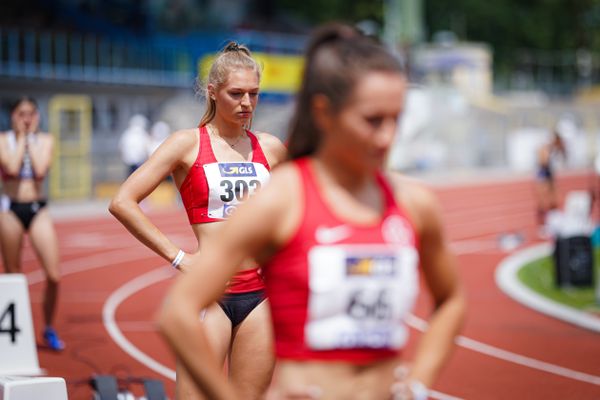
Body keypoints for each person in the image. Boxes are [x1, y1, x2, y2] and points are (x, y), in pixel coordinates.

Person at [158, 24, 466, 400]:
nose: (388, 137)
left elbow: (452, 298)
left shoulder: (415, 204)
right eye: (372, 120)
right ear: (324, 113)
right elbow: (177, 314)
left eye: (396, 119)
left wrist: (417, 383)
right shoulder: (282, 200)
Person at [109, 42, 286, 399]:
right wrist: (178, 257)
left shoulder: (271, 147)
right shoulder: (185, 144)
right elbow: (122, 201)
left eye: (254, 94)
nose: (247, 104)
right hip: (211, 295)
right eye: (236, 94)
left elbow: (302, 206)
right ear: (213, 92)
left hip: (262, 297)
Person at [0, 97, 64, 351]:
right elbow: (12, 167)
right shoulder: (4, 140)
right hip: (11, 208)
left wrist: (29, 138)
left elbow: (39, 170)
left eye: (31, 114)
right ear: (13, 116)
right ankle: (18, 331)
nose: (26, 119)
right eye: (21, 114)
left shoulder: (46, 140)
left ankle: (48, 326)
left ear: (37, 116)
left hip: (38, 208)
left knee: (54, 274)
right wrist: (21, 138)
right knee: (14, 275)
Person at [534, 127, 567, 231]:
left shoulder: (554, 147)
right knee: (543, 201)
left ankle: (553, 222)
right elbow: (543, 161)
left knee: (554, 200)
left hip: (549, 174)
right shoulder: (545, 147)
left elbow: (564, 154)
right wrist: (550, 155)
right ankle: (542, 224)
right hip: (543, 174)